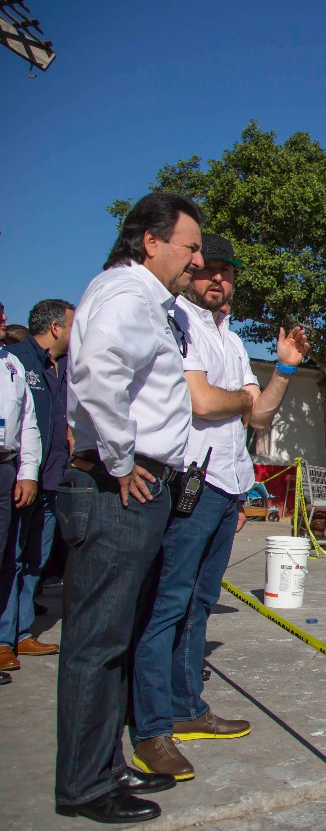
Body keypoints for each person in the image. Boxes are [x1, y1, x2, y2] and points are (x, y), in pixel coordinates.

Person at [131, 233, 309, 781]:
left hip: (227, 486)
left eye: (227, 273)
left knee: (201, 602)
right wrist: (239, 401)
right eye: (209, 270)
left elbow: (257, 418)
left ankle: (186, 708)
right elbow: (203, 401)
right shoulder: (176, 324)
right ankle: (151, 727)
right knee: (168, 603)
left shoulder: (230, 342)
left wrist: (282, 370)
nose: (218, 280)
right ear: (192, 271)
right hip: (190, 484)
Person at [55, 192, 204, 824]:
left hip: (140, 487)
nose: (196, 259)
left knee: (117, 638)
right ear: (151, 240)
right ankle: (85, 787)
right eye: (190, 245)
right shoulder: (125, 295)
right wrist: (121, 461)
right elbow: (94, 374)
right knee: (97, 642)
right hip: (120, 489)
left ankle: (103, 764)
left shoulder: (148, 301)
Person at [2, 299, 74, 665]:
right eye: (73, 327)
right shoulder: (16, 359)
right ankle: (2, 639)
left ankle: (22, 631)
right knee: (9, 557)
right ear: (56, 327)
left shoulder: (61, 366)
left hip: (50, 479)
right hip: (19, 478)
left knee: (35, 559)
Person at [0, 335, 42, 674]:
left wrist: (27, 471)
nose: (2, 319)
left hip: (6, 467)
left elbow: (28, 422)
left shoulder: (11, 364)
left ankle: (4, 639)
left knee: (6, 556)